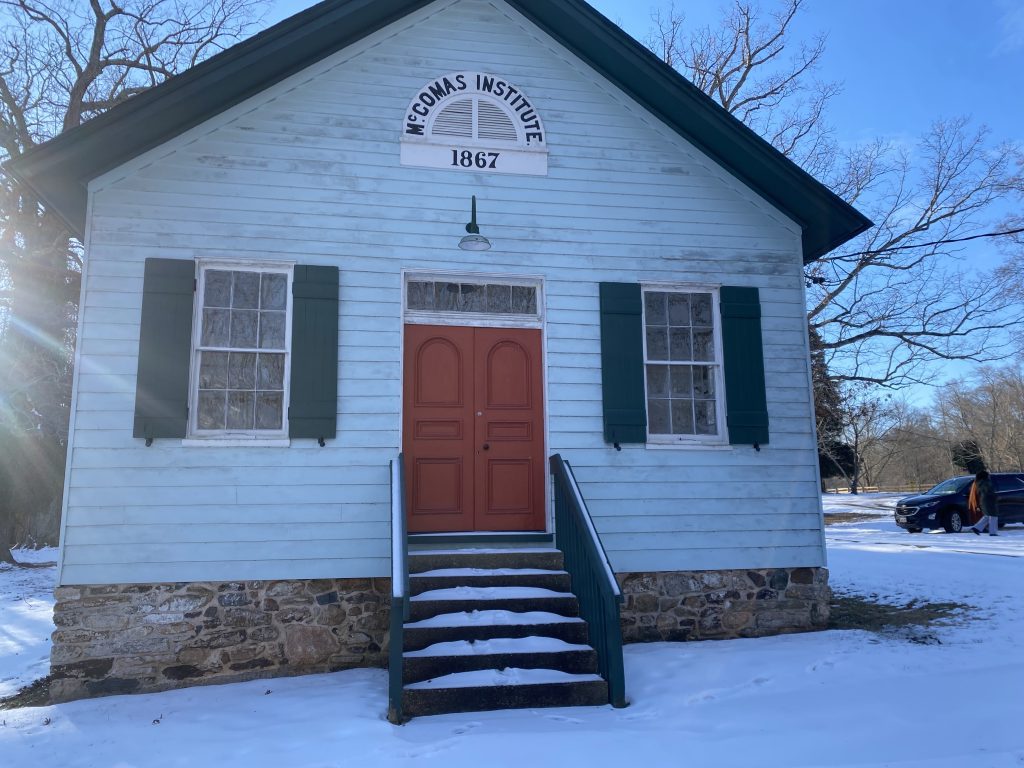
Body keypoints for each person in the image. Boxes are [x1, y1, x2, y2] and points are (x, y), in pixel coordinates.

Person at [969, 470, 998, 536]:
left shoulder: (978, 482)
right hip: (988, 500)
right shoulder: (985, 482)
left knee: (987, 515)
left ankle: (976, 528)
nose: (989, 476)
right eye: (988, 475)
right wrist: (994, 495)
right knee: (993, 515)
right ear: (984, 476)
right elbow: (987, 491)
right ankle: (993, 532)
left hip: (984, 500)